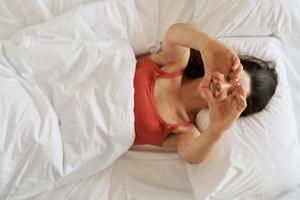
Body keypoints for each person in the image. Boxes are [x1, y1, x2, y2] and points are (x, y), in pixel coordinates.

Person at [132, 23, 278, 164]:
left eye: (231, 93)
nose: (222, 85)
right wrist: (207, 45)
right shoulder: (175, 62)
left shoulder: (185, 131)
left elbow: (191, 157)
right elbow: (173, 33)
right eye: (228, 77)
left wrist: (216, 130)